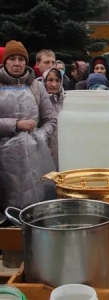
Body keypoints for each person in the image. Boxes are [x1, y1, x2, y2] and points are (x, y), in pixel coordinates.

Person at [0, 40, 57, 212]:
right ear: (5, 62)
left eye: (21, 59)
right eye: (12, 59)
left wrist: (41, 135)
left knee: (35, 208)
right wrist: (16, 124)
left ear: (26, 62)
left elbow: (51, 119)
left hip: (34, 158)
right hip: (3, 159)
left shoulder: (36, 86)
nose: (17, 63)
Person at [42, 67, 65, 171]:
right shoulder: (39, 101)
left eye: (57, 80)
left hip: (64, 149)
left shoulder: (66, 101)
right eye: (50, 80)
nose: (54, 84)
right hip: (46, 150)